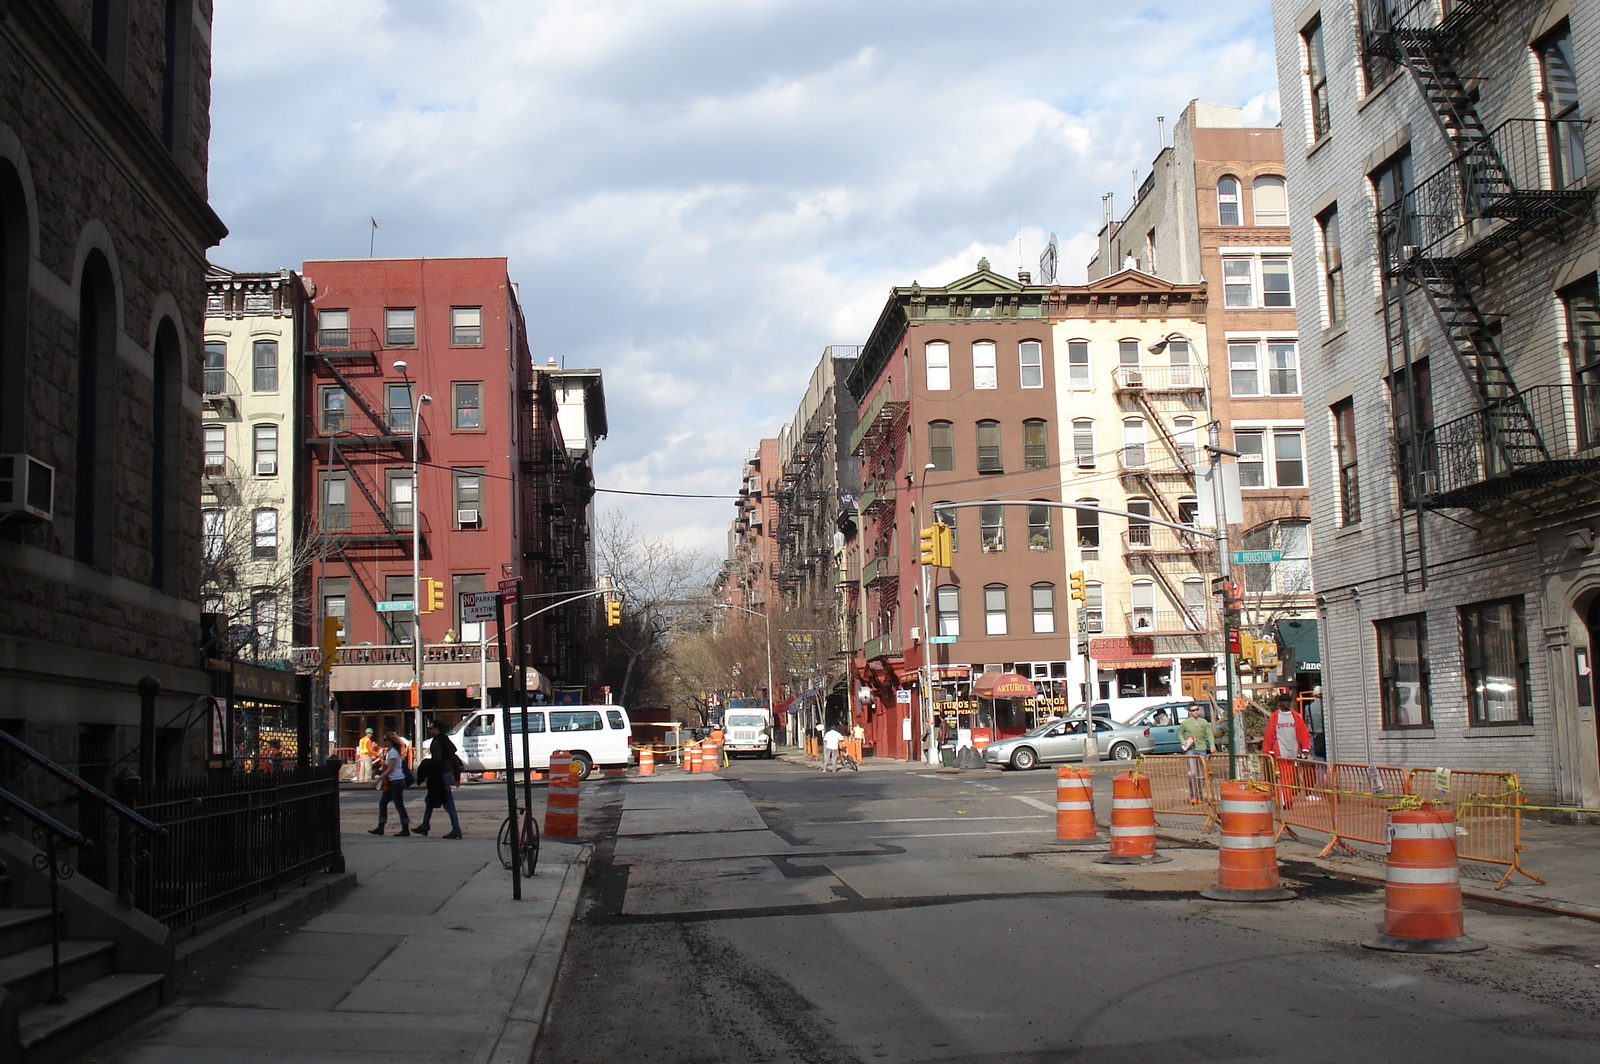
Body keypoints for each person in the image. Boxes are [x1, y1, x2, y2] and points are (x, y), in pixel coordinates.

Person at [1262, 694, 1312, 809]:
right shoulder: (1275, 717)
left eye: (1288, 701)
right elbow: (1269, 735)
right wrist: (1267, 752)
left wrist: (1305, 749)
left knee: (1290, 778)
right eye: (1283, 701)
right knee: (1283, 777)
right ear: (1280, 703)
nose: (1286, 703)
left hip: (1293, 752)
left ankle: (1287, 799)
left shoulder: (1295, 716)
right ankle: (1285, 801)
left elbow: (1303, 732)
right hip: (1281, 753)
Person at [415, 720, 463, 838]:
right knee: (430, 799)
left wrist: (426, 765)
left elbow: (437, 759)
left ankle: (456, 830)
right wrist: (456, 776)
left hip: (440, 775)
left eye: (431, 728)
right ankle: (425, 825)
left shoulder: (437, 741)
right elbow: (454, 759)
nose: (429, 730)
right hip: (447, 773)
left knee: (447, 802)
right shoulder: (446, 741)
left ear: (436, 729)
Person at [369, 731, 411, 836]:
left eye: (385, 740)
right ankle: (381, 827)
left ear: (390, 741)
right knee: (384, 803)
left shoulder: (393, 753)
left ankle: (404, 829)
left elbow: (391, 768)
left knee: (398, 804)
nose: (383, 742)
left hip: (395, 781)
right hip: (393, 781)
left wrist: (378, 780)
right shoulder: (392, 752)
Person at [1178, 706, 1214, 803]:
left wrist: (1212, 745)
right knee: (1193, 773)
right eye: (1193, 710)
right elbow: (1180, 733)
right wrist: (1183, 741)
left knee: (1201, 774)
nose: (1196, 712)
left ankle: (1200, 796)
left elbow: (1209, 734)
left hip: (1201, 749)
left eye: (1197, 710)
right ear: (1189, 712)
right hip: (1190, 750)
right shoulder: (1185, 723)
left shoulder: (1204, 722)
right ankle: (1193, 795)